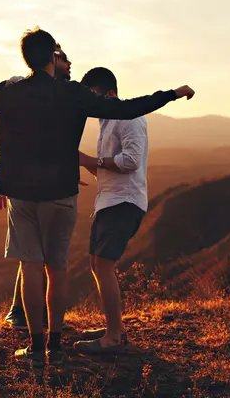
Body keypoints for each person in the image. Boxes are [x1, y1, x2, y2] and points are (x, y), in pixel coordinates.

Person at [0, 27, 194, 366]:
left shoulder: (11, 92)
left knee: (31, 268)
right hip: (61, 193)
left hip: (22, 195)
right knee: (58, 269)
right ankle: (56, 345)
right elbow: (128, 108)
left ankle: (36, 347)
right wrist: (171, 93)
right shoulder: (73, 94)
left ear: (26, 57)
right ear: (52, 58)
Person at [0, 44, 73, 331]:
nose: (71, 65)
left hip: (45, 183)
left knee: (36, 254)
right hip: (25, 186)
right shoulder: (22, 91)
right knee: (33, 255)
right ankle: (21, 314)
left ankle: (30, 318)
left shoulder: (55, 95)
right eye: (65, 59)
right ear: (51, 60)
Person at [74, 67, 149, 354]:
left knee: (104, 266)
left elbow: (130, 161)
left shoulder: (128, 117)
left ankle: (113, 337)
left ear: (109, 93)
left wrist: (91, 159)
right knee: (97, 264)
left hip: (124, 202)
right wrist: (83, 163)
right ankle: (112, 326)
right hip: (109, 201)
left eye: (91, 95)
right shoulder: (107, 121)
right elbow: (107, 168)